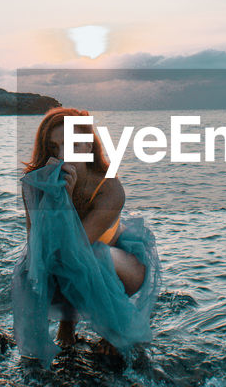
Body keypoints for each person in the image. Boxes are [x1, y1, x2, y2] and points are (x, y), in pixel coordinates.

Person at [11, 107, 160, 365]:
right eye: (53, 147)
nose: (62, 154)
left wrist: (66, 201)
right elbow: (38, 246)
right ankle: (66, 324)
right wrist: (50, 197)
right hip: (64, 259)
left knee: (92, 257)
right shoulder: (36, 184)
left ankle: (114, 332)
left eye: (71, 144)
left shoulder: (109, 188)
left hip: (119, 263)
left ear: (88, 145)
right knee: (30, 269)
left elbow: (77, 247)